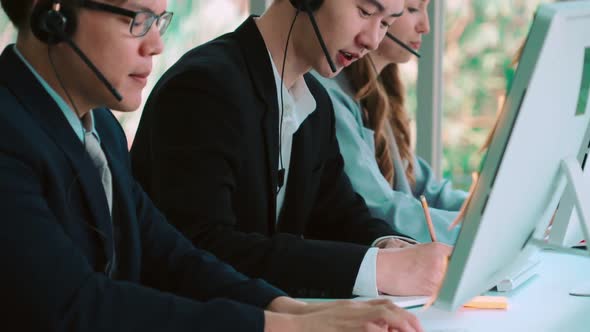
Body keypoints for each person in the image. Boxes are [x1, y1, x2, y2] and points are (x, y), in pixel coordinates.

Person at [0, 1, 423, 331]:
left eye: (159, 21)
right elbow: (73, 306)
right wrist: (279, 327)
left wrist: (291, 311)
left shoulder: (102, 130)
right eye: (136, 20)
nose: (156, 45)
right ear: (52, 15)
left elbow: (172, 254)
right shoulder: (10, 133)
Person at [131, 0, 452, 300]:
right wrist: (378, 270)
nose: (372, 40)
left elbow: (341, 216)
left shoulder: (315, 105)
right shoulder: (204, 88)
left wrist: (391, 248)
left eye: (385, 23)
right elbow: (205, 248)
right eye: (366, 12)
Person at [313, 0, 467, 245]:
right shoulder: (329, 95)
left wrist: (492, 213)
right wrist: (478, 236)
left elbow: (428, 190)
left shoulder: (380, 95)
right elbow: (379, 206)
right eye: (413, 9)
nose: (425, 26)